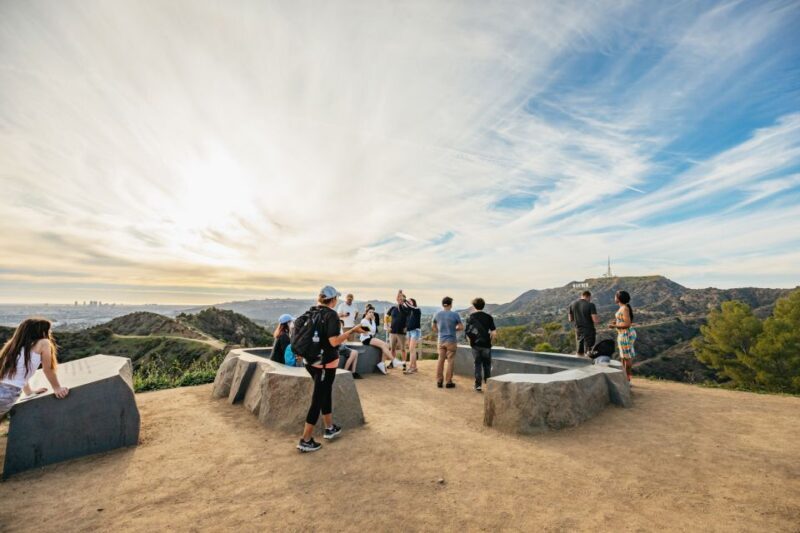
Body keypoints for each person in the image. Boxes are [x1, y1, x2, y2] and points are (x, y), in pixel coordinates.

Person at [297, 286, 364, 453]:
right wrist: (352, 331)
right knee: (318, 399)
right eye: (336, 298)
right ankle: (305, 439)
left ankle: (329, 427)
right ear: (333, 299)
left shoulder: (312, 311)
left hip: (311, 362)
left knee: (325, 393)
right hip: (325, 364)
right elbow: (334, 342)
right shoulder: (331, 315)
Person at [1, 318, 69, 420]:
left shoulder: (13, 347)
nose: (50, 332)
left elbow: (20, 372)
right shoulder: (44, 343)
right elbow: (47, 369)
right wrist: (57, 388)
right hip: (7, 393)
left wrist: (29, 392)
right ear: (41, 331)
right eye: (48, 330)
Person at [465, 297, 496, 392]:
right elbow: (494, 333)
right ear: (483, 306)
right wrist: (491, 342)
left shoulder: (470, 317)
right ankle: (488, 384)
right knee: (487, 364)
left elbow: (467, 333)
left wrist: (471, 342)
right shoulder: (488, 317)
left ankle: (478, 385)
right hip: (486, 345)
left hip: (475, 345)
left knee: (477, 365)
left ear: (474, 306)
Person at [432, 296, 463, 389]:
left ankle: (439, 381)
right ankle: (448, 382)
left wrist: (440, 332)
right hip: (451, 340)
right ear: (451, 305)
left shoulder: (437, 314)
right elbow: (461, 327)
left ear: (443, 304)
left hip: (441, 340)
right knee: (450, 361)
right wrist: (454, 329)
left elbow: (433, 327)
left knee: (440, 360)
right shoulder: (455, 314)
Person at [609, 290, 636, 382]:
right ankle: (624, 377)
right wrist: (616, 322)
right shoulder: (623, 307)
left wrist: (614, 326)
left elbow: (627, 324)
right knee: (624, 356)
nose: (614, 298)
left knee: (627, 356)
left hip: (626, 334)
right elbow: (623, 321)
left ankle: (627, 378)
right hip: (623, 333)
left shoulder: (624, 308)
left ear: (619, 298)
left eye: (615, 296)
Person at [359, 308, 394, 374]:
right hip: (366, 339)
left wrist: (373, 321)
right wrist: (372, 324)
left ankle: (382, 364)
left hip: (370, 337)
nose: (371, 314)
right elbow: (369, 332)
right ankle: (393, 360)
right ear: (366, 313)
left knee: (386, 345)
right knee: (384, 345)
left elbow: (373, 331)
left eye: (373, 312)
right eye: (370, 312)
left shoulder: (370, 321)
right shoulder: (363, 321)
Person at [568, 290, 600, 356]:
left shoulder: (572, 304)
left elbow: (570, 319)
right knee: (589, 352)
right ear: (588, 296)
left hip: (578, 330)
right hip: (589, 331)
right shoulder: (591, 305)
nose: (590, 300)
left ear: (582, 296)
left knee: (579, 352)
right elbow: (595, 320)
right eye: (590, 298)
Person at [387, 290, 409, 370]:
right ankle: (393, 363)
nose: (400, 300)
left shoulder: (406, 309)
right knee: (392, 349)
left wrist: (406, 327)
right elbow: (387, 317)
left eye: (402, 299)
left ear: (404, 300)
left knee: (403, 349)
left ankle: (404, 364)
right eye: (399, 298)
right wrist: (388, 326)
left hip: (401, 332)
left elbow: (409, 319)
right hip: (392, 331)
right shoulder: (393, 308)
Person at [404, 298, 422, 374]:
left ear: (414, 302)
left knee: (411, 349)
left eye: (410, 301)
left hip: (415, 331)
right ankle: (414, 367)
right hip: (409, 332)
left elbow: (410, 307)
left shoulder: (417, 309)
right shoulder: (409, 311)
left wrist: (405, 300)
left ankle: (411, 368)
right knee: (412, 350)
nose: (408, 302)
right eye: (408, 301)